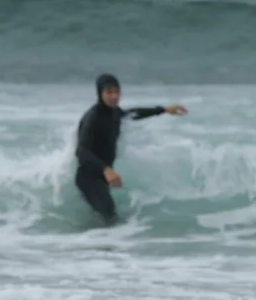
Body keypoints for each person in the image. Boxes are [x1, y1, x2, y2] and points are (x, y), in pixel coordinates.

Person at [73, 74, 187, 223]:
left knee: (107, 218)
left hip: (100, 177)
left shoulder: (114, 112)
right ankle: (100, 244)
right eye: (109, 92)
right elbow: (81, 151)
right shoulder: (93, 118)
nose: (114, 96)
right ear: (100, 93)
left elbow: (133, 113)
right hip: (88, 178)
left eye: (117, 92)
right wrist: (106, 169)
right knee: (110, 218)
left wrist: (164, 110)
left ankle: (96, 244)